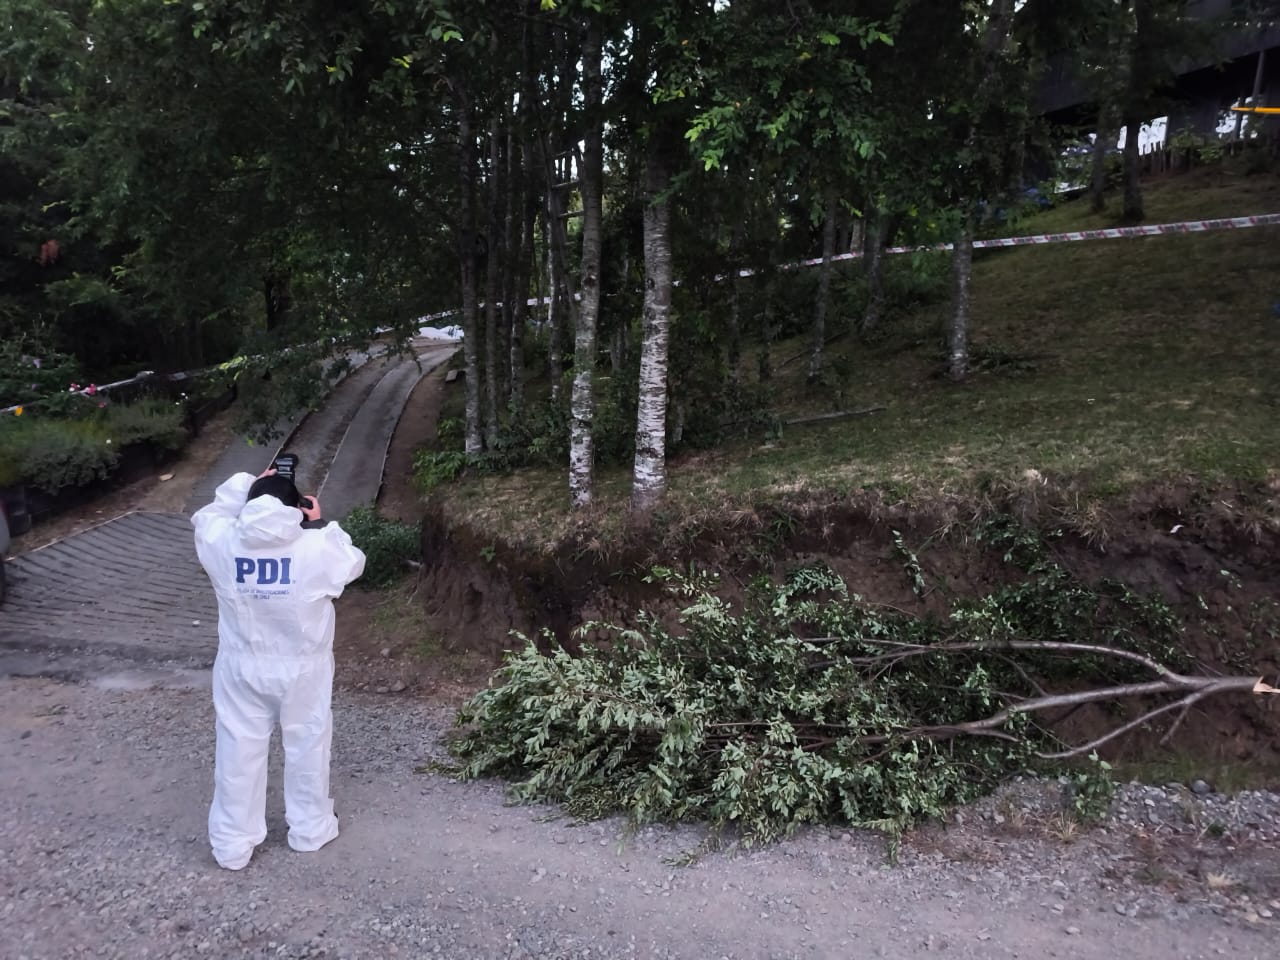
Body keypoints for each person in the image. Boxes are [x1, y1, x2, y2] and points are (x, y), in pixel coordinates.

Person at [192, 465, 366, 871]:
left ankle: (232, 845)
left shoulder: (222, 543)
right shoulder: (316, 547)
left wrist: (248, 483)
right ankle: (310, 830)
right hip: (303, 669)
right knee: (307, 744)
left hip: (241, 665)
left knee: (237, 751)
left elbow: (210, 514)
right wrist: (318, 524)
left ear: (247, 504)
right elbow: (352, 562)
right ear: (297, 510)